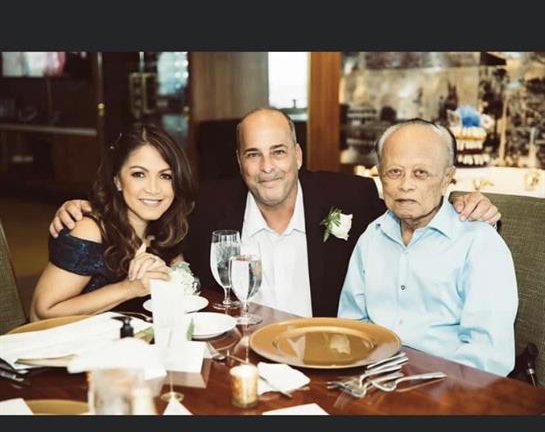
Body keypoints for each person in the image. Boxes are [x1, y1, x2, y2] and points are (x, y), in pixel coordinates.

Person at [48, 108, 500, 319]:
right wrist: (84, 210)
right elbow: (153, 230)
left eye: (279, 151)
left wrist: (462, 203)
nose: (268, 167)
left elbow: (411, 203)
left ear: (298, 155)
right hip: (238, 359)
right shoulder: (207, 206)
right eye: (253, 154)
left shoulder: (355, 196)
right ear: (239, 162)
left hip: (323, 359)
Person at [338, 119, 518, 374]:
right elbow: (351, 324)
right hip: (373, 378)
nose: (405, 185)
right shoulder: (372, 237)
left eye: (420, 173)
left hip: (448, 386)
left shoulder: (479, 242)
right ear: (380, 174)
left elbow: (488, 355)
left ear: (447, 178)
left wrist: (429, 389)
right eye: (394, 172)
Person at [31, 124, 195, 320]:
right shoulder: (89, 230)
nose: (153, 188)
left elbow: (186, 293)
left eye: (165, 176)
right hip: (70, 337)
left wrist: (166, 277)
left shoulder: (165, 231)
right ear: (117, 180)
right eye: (139, 174)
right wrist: (129, 288)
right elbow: (45, 311)